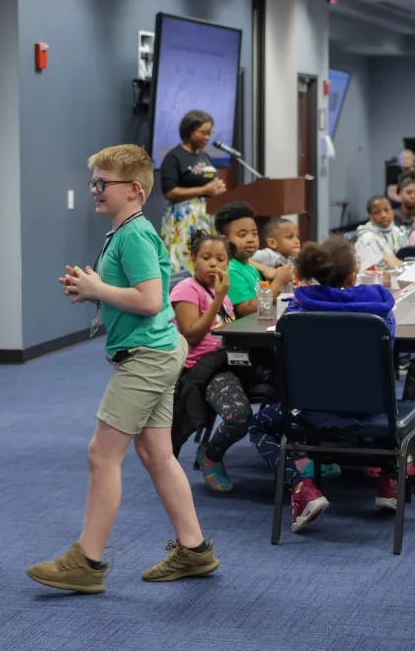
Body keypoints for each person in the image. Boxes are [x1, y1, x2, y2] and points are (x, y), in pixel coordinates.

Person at [29, 144, 217, 592]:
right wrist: (94, 289)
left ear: (134, 189)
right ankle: (194, 551)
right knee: (155, 453)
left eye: (103, 183)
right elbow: (138, 293)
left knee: (102, 454)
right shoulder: (127, 231)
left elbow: (151, 300)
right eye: (93, 182)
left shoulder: (133, 234)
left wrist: (100, 289)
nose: (94, 190)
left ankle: (86, 562)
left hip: (147, 356)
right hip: (156, 350)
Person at [246, 236, 398, 533]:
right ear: (354, 274)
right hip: (372, 409)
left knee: (259, 425)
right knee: (400, 403)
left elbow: (285, 360)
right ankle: (389, 481)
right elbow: (387, 358)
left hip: (308, 408)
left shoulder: (295, 314)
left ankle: (302, 488)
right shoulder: (380, 312)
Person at [170, 231, 252, 493]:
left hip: (230, 361)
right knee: (238, 417)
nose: (214, 264)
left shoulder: (221, 293)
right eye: (206, 258)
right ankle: (212, 455)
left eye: (221, 259)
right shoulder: (187, 289)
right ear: (194, 259)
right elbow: (192, 334)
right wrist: (217, 298)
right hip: (204, 367)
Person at [160, 110, 226, 271]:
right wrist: (204, 189)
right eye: (202, 133)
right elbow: (170, 192)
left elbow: (210, 183)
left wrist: (217, 188)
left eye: (209, 133)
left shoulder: (204, 156)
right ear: (189, 130)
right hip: (184, 219)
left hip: (207, 216)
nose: (207, 138)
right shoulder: (174, 157)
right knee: (185, 260)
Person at [216, 202, 293, 318]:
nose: (251, 239)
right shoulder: (230, 271)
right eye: (242, 235)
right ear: (225, 241)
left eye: (254, 234)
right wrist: (278, 282)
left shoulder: (250, 266)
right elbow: (246, 309)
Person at [356, 194, 407, 269]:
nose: (383, 215)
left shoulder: (399, 232)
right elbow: (370, 269)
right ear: (370, 217)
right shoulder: (366, 238)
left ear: (392, 213)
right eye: (376, 212)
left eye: (386, 210)